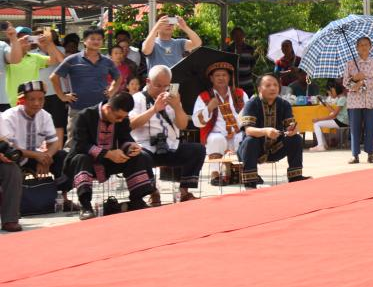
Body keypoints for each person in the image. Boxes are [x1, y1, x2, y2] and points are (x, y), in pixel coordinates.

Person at [68, 91, 156, 219]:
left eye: (123, 117)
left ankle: (137, 201)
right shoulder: (84, 116)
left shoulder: (122, 119)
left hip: (110, 162)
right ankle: (86, 206)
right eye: (118, 117)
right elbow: (80, 145)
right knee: (81, 158)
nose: (120, 120)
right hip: (86, 162)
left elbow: (125, 138)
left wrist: (130, 147)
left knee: (140, 156)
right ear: (108, 108)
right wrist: (108, 154)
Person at [129, 65, 203, 203]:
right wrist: (154, 109)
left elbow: (182, 125)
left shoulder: (172, 98)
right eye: (158, 86)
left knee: (197, 150)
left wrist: (177, 106)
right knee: (139, 155)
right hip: (146, 147)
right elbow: (131, 124)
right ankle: (153, 192)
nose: (162, 90)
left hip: (170, 146)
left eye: (166, 86)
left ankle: (185, 192)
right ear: (148, 82)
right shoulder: (137, 98)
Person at [0, 81, 70, 201]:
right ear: (23, 100)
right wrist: (38, 155)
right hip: (13, 156)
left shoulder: (45, 116)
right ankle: (14, 203)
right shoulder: (9, 116)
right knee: (10, 159)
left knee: (62, 156)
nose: (37, 103)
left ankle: (63, 199)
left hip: (34, 156)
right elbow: (8, 147)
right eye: (32, 99)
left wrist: (45, 158)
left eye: (41, 99)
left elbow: (54, 143)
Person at [238, 74, 308, 188]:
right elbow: (248, 130)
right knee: (250, 140)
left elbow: (290, 125)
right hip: (252, 151)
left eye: (275, 85)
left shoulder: (284, 104)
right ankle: (250, 182)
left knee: (296, 139)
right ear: (259, 89)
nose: (273, 88)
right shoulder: (252, 103)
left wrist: (293, 129)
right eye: (268, 85)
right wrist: (265, 131)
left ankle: (296, 177)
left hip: (275, 149)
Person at [51, 27, 121, 139]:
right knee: (73, 142)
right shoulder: (72, 59)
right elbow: (54, 77)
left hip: (100, 110)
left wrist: (112, 91)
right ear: (84, 41)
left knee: (99, 141)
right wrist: (62, 96)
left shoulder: (107, 61)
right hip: (77, 109)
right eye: (92, 38)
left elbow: (118, 78)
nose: (96, 41)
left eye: (99, 39)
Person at [192, 62, 248, 185]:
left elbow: (248, 115)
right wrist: (209, 108)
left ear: (229, 77)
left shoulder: (240, 93)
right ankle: (215, 174)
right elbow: (197, 122)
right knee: (216, 139)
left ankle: (240, 171)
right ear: (211, 78)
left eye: (224, 75)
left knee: (245, 138)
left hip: (237, 132)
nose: (221, 78)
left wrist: (236, 130)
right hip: (216, 134)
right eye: (217, 75)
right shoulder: (204, 96)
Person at [342, 37, 373, 164]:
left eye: (366, 44)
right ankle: (355, 155)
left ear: (371, 47)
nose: (364, 47)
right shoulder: (350, 63)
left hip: (371, 100)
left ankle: (370, 154)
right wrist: (354, 79)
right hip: (355, 102)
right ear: (356, 48)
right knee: (355, 128)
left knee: (370, 128)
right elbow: (345, 83)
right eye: (360, 45)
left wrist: (363, 81)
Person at [311, 81, 346, 152]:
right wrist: (326, 104)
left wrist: (318, 119)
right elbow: (334, 112)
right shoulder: (341, 98)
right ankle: (323, 145)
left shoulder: (342, 99)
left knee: (316, 124)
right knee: (317, 124)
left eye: (330, 92)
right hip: (340, 120)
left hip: (341, 121)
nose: (329, 94)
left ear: (333, 90)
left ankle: (321, 145)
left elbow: (333, 115)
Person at [224, 26, 256, 93]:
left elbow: (252, 64)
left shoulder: (250, 49)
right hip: (233, 85)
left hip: (247, 84)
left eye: (240, 35)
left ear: (244, 36)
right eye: (235, 35)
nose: (238, 37)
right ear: (232, 37)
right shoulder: (228, 50)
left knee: (248, 102)